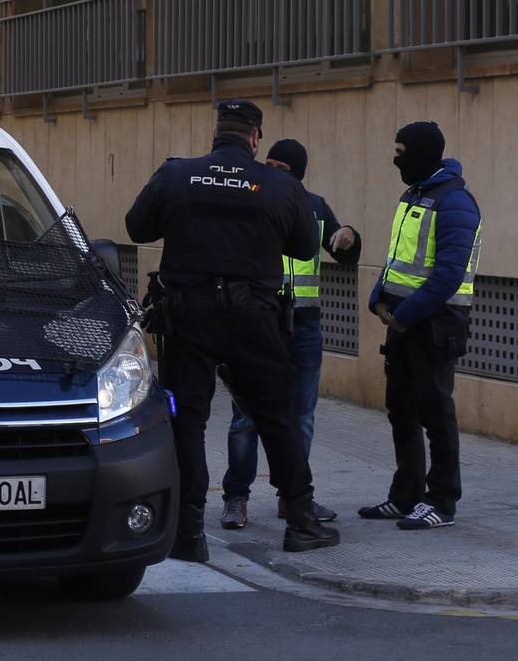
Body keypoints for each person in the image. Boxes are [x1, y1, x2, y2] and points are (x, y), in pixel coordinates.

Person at [125, 99, 338, 561]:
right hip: (255, 320)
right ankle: (300, 519)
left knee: (189, 421)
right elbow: (305, 247)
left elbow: (137, 227)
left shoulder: (177, 174)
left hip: (188, 318)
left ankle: (188, 532)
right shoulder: (279, 185)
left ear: (216, 131)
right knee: (278, 417)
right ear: (256, 138)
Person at [220, 139, 362, 529]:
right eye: (268, 164)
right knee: (246, 418)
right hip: (259, 322)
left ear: (297, 174)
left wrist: (348, 234)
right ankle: (236, 498)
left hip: (304, 324)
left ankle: (294, 497)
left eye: (280, 168)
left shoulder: (314, 206)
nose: (270, 173)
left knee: (301, 416)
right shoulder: (247, 201)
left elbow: (342, 247)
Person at [359, 122, 481, 530]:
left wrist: (404, 315)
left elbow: (448, 274)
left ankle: (442, 501)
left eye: (400, 151)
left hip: (433, 324)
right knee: (402, 411)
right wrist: (377, 296)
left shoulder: (456, 202)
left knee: (436, 412)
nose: (396, 159)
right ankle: (405, 495)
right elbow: (396, 258)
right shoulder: (414, 194)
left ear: (423, 153)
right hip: (402, 322)